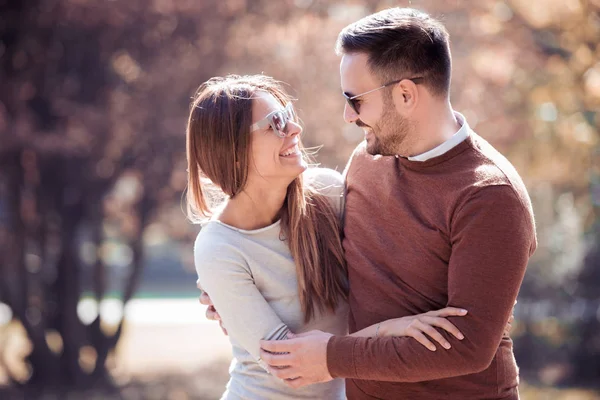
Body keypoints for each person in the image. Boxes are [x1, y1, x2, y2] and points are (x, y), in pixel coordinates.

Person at [255, 7, 537, 400]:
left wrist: (332, 357)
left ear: (405, 94)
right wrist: (239, 278)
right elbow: (326, 259)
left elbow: (467, 347)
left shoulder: (490, 196)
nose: (347, 116)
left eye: (355, 101)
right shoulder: (366, 160)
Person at [187, 74, 469, 400]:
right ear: (232, 150)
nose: (295, 130)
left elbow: (388, 266)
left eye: (289, 115)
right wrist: (391, 330)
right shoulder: (219, 248)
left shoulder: (328, 193)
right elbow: (289, 364)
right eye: (274, 123)